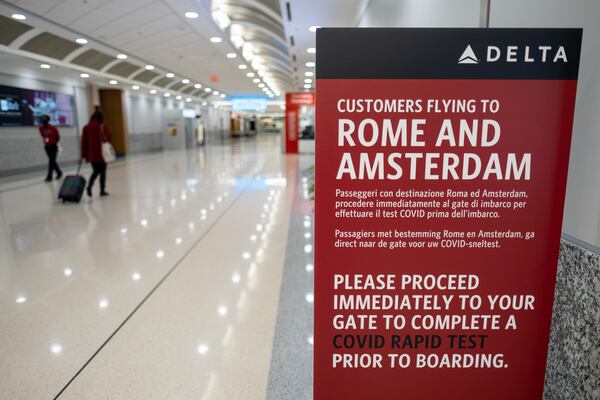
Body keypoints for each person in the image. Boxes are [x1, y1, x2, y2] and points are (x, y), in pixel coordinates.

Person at [81, 111, 112, 197]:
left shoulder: (86, 127)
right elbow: (109, 138)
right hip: (102, 154)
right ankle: (102, 190)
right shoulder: (102, 127)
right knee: (102, 172)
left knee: (95, 171)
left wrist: (83, 154)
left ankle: (90, 186)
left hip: (91, 154)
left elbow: (84, 142)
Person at [38, 115, 62, 181]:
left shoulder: (53, 128)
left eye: (45, 119)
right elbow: (43, 136)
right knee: (52, 161)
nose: (43, 121)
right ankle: (59, 172)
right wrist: (47, 142)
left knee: (51, 161)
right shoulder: (40, 128)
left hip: (53, 146)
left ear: (48, 120)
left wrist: (53, 142)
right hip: (47, 147)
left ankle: (49, 176)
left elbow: (58, 137)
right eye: (42, 119)